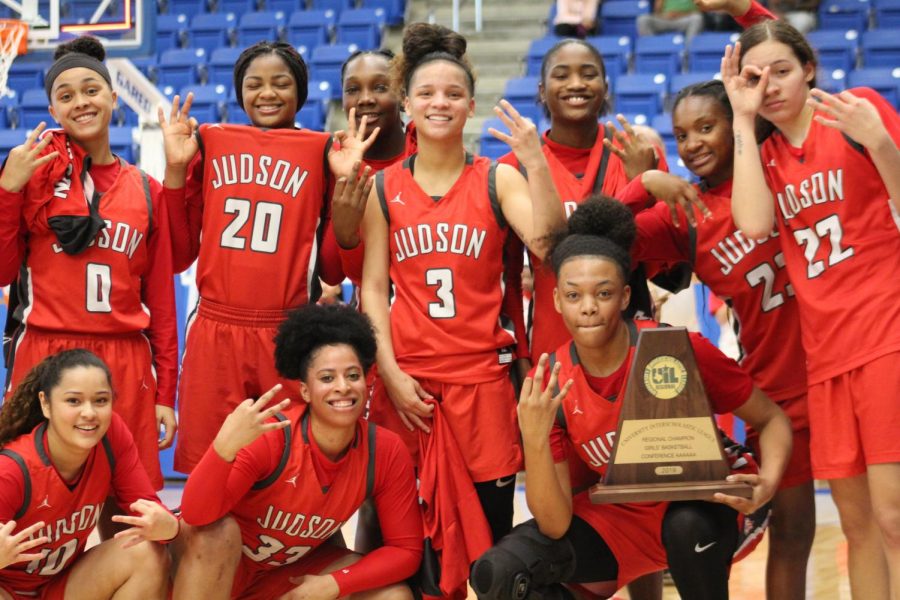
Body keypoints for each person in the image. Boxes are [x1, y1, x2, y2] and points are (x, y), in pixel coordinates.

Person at [470, 197, 792, 600]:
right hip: (621, 521)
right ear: (556, 301)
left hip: (707, 505)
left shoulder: (676, 349)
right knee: (498, 573)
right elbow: (554, 524)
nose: (588, 308)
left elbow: (772, 419)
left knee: (686, 528)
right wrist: (534, 437)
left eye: (602, 294)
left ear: (624, 297)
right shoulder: (550, 382)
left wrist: (769, 483)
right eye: (573, 296)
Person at [358, 21, 566, 589]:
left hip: (482, 391)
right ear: (406, 106)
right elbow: (373, 289)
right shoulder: (384, 188)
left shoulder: (498, 179)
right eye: (426, 93)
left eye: (452, 93)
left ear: (470, 105)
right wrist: (391, 372)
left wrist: (537, 162)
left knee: (487, 558)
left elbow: (549, 246)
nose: (440, 103)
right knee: (396, 552)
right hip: (408, 393)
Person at [723, 19, 900, 599]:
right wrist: (742, 119)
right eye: (755, 76)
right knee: (856, 526)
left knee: (895, 516)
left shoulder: (858, 113)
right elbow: (752, 223)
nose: (769, 85)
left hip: (885, 335)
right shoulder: (765, 154)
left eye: (782, 70)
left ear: (809, 70)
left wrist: (880, 143)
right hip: (824, 355)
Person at [633, 80, 814, 599]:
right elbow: (596, 237)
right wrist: (645, 182)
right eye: (681, 134)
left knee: (880, 518)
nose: (692, 144)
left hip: (841, 362)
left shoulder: (784, 167)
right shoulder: (684, 212)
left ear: (738, 123)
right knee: (794, 533)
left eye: (706, 127)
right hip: (780, 387)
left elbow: (793, 71)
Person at [159, 40, 373, 474]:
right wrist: (176, 172)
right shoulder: (211, 141)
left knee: (291, 470)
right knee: (212, 469)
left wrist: (346, 190)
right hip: (215, 326)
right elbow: (179, 253)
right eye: (254, 84)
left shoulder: (324, 150)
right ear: (239, 93)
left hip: (287, 329)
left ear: (301, 91)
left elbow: (333, 268)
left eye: (281, 83)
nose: (267, 93)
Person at [0, 36, 178, 493]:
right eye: (66, 96)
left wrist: (165, 394)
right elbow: (2, 274)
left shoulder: (146, 189)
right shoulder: (28, 176)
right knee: (33, 503)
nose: (81, 102)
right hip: (45, 354)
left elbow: (160, 304)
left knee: (129, 514)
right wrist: (7, 191)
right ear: (53, 112)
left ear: (114, 98)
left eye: (91, 90)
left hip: (125, 359)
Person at [173, 304, 422, 600]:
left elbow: (406, 551)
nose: (343, 387)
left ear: (366, 382)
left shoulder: (385, 450)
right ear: (305, 391)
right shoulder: (272, 436)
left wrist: (334, 583)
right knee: (217, 533)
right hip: (213, 572)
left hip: (282, 575)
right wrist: (222, 449)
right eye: (327, 378)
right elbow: (196, 514)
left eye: (353, 375)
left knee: (393, 596)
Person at [500, 38, 669, 366]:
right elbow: (508, 274)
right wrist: (521, 355)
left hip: (631, 339)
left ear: (605, 87)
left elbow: (666, 263)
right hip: (551, 349)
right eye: (561, 75)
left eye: (588, 74)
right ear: (541, 89)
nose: (576, 84)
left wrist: (642, 184)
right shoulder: (514, 166)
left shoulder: (639, 154)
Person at [0, 349, 179, 599]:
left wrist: (169, 528)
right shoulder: (10, 470)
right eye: (73, 401)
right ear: (46, 403)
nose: (89, 413)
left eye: (100, 401)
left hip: (62, 586)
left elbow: (150, 511)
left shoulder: (111, 435)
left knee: (147, 554)